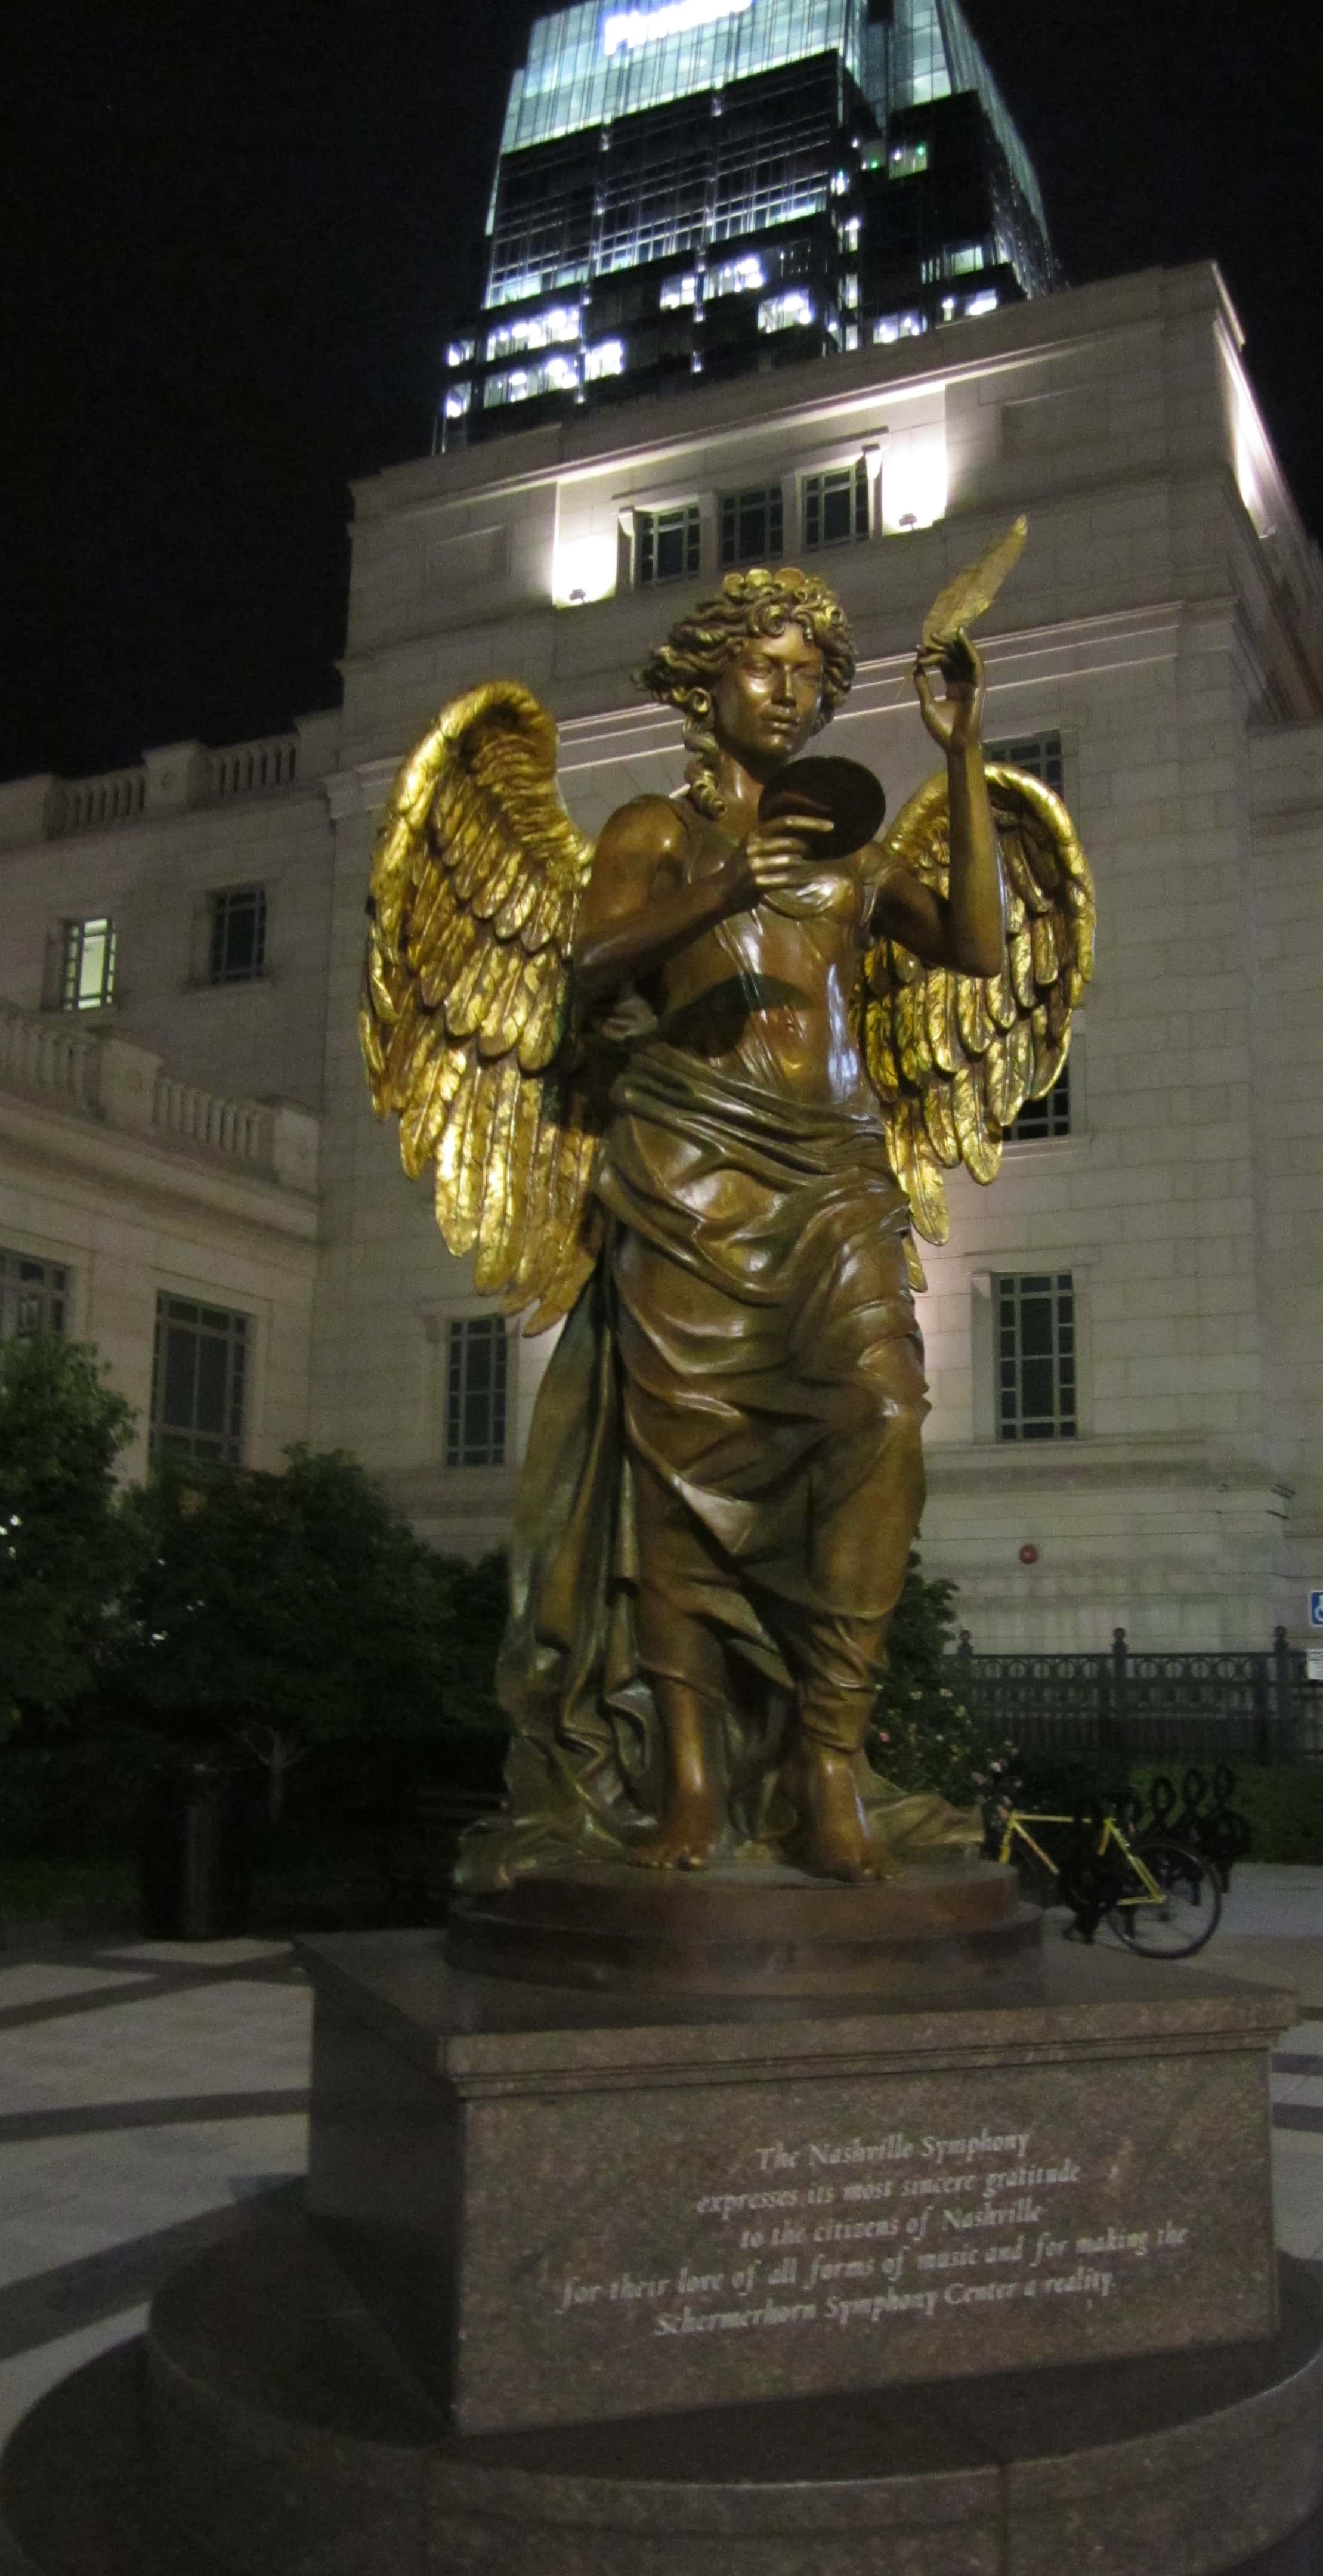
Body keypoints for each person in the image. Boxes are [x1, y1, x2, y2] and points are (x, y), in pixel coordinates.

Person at [493, 566, 1006, 1884]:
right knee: (681, 1472)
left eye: (811, 680)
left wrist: (964, 761)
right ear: (708, 675)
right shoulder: (653, 828)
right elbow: (588, 969)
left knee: (884, 1415)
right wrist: (723, 890)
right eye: (767, 668)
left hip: (831, 1169)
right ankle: (695, 1782)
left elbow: (980, 952)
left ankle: (829, 1762)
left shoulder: (845, 848)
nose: (789, 696)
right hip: (690, 1169)